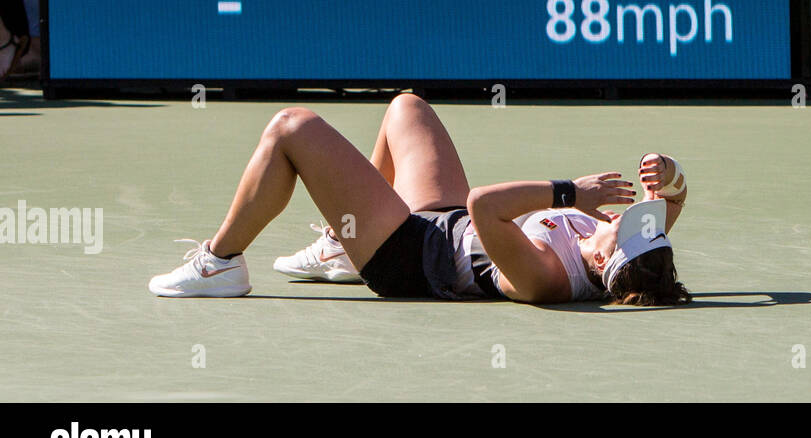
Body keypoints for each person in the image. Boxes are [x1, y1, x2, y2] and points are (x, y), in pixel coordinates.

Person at [148, 93, 691, 306]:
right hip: (442, 224)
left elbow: (482, 204)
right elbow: (672, 202)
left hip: (406, 258)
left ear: (600, 260)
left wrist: (572, 191)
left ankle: (221, 263)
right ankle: (343, 244)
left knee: (292, 128)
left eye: (626, 225)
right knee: (407, 108)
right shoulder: (627, 251)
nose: (629, 215)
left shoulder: (548, 275)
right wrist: (669, 178)